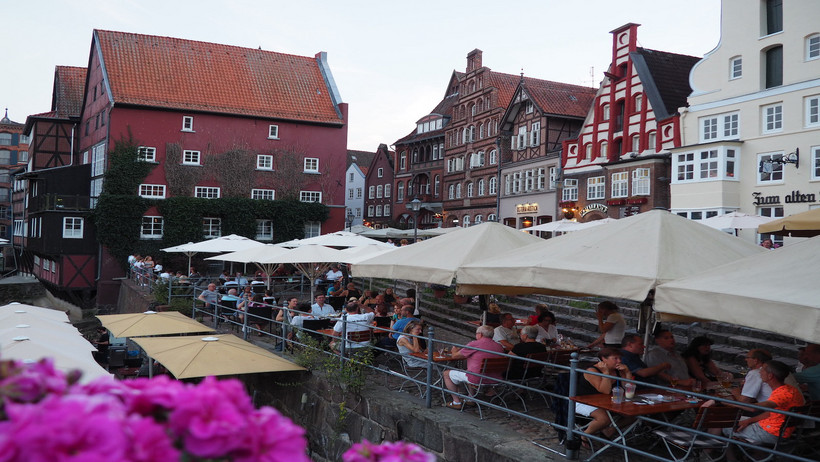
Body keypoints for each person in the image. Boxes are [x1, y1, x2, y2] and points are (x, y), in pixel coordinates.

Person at [722, 361, 804, 452]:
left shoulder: (781, 394)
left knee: (725, 425)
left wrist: (725, 402)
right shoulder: (790, 389)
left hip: (771, 433)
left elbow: (754, 408)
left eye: (763, 369)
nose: (760, 371)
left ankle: (727, 457)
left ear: (770, 376)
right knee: (731, 421)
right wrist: (748, 421)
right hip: (777, 430)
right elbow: (770, 413)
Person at [575, 348, 634, 447]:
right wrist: (606, 373)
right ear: (604, 359)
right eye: (615, 358)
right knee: (604, 419)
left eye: (620, 358)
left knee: (633, 415)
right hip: (585, 401)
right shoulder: (592, 371)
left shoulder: (619, 370)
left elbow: (628, 388)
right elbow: (605, 390)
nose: (619, 361)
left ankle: (610, 431)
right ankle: (585, 435)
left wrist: (627, 373)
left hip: (607, 402)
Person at [442, 325, 505, 409]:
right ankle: (470, 399)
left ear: (480, 334)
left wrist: (454, 350)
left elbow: (455, 356)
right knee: (471, 370)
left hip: (477, 378)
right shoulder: (499, 346)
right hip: (495, 378)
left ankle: (456, 402)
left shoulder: (475, 344)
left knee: (446, 374)